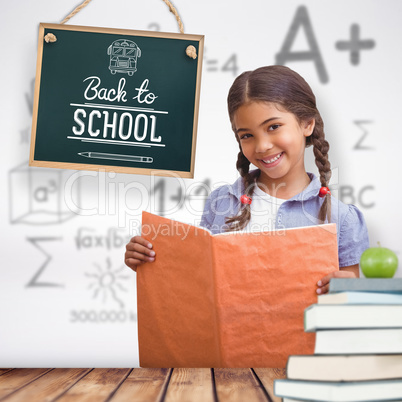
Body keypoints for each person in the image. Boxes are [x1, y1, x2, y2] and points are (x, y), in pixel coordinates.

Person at [125, 65, 369, 295]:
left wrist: (351, 291)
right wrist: (150, 262)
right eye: (247, 135)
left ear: (307, 124)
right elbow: (200, 286)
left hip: (305, 340)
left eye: (273, 127)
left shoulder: (343, 219)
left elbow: (347, 312)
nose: (262, 146)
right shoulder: (221, 203)